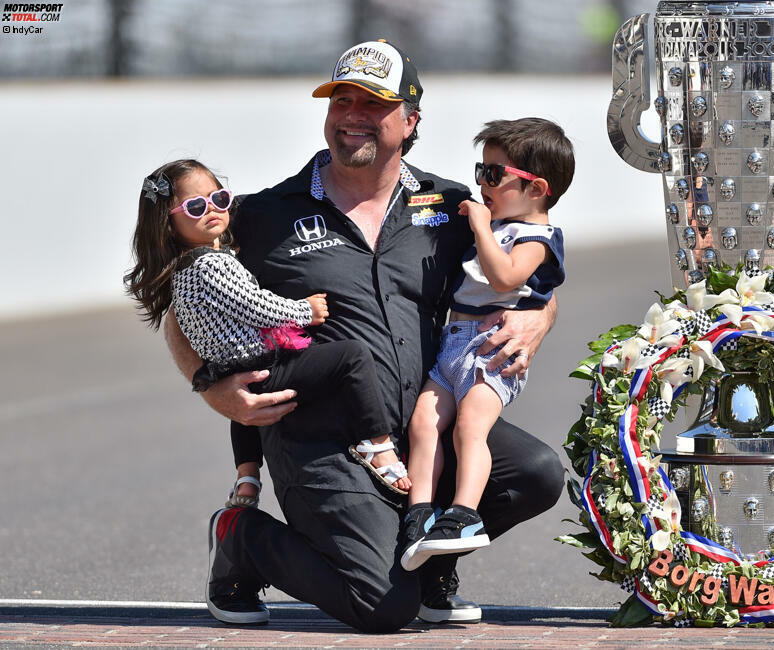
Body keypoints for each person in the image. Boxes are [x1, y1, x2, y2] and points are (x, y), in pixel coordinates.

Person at [162, 39, 564, 632]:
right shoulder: (263, 215)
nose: (353, 115)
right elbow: (178, 306)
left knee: (534, 472)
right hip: (320, 440)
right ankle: (243, 541)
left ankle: (428, 565)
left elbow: (530, 268)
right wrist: (209, 386)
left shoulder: (453, 206)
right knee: (380, 607)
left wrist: (540, 317)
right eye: (341, 100)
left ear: (410, 118)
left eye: (373, 103)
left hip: (424, 421)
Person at [123, 160, 410, 516]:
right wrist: (305, 310)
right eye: (195, 206)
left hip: (231, 371)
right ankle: (377, 443)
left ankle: (247, 475)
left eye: (220, 198)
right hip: (260, 366)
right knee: (350, 356)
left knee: (243, 417)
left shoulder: (184, 269)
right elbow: (255, 305)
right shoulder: (211, 264)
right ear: (168, 222)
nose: (211, 209)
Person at [400, 118, 573, 572]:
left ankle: (463, 514)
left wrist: (480, 226)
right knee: (423, 422)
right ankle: (418, 513)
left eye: (494, 175)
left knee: (469, 428)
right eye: (481, 171)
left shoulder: (537, 238)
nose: (483, 183)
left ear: (536, 188)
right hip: (454, 345)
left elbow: (506, 276)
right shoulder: (501, 224)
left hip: (489, 351)